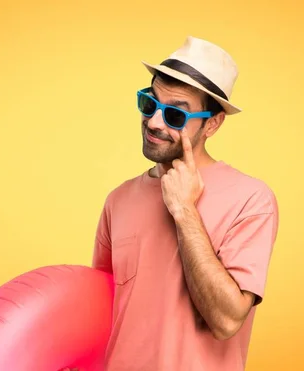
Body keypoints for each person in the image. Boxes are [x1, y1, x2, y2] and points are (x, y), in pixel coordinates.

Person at [91, 36, 280, 371]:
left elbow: (226, 321)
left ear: (213, 123)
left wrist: (184, 211)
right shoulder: (118, 200)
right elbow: (98, 310)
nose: (154, 123)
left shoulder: (251, 200)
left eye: (175, 115)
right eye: (150, 104)